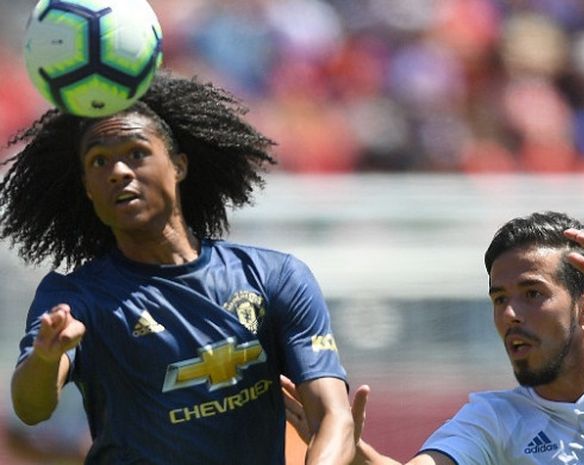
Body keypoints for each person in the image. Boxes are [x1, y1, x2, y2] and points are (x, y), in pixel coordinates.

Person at [1, 71, 354, 465]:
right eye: (99, 161)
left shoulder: (274, 277)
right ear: (87, 189)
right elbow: (31, 409)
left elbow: (334, 418)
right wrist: (46, 359)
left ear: (179, 165)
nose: (117, 171)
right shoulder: (75, 299)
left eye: (136, 152)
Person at [283, 211, 584, 464]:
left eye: (532, 294)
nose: (509, 315)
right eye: (499, 299)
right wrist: (354, 453)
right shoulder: (494, 420)